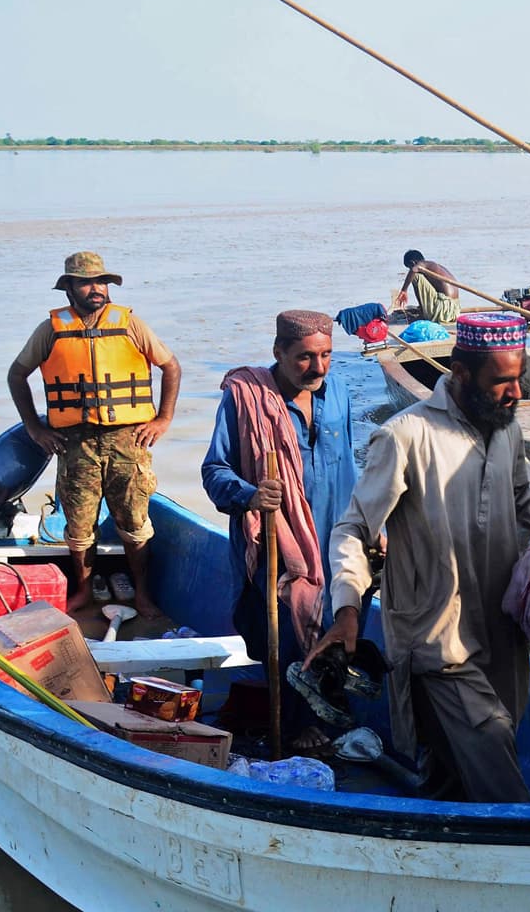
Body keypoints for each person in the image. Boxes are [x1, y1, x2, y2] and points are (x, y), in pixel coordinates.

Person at [322, 311, 530, 802]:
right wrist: (348, 608)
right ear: (460, 374)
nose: (517, 394)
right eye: (502, 382)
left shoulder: (506, 429)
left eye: (519, 379)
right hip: (433, 640)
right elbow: (353, 528)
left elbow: (525, 495)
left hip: (501, 630)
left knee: (453, 770)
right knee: (489, 738)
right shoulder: (404, 436)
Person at [201, 309, 358, 752]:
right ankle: (294, 728)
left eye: (327, 355)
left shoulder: (339, 393)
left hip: (336, 536)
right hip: (278, 540)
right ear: (279, 352)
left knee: (337, 627)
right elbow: (214, 470)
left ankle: (326, 713)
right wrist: (249, 494)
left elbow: (349, 467)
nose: (319, 367)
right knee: (287, 632)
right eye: (305, 358)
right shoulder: (244, 398)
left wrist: (372, 526)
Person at [8, 251, 181, 618]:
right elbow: (16, 375)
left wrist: (163, 420)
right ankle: (84, 590)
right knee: (79, 524)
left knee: (135, 522)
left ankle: (142, 594)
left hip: (127, 439)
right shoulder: (51, 329)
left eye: (102, 282)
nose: (97, 289)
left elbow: (170, 366)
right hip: (75, 443)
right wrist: (34, 428)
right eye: (87, 282)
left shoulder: (130, 324)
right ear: (69, 288)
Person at [396, 250, 461, 325]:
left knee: (415, 276)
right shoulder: (435, 266)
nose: (410, 269)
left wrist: (404, 290)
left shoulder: (421, 265)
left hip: (442, 311)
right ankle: (423, 309)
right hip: (454, 312)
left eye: (409, 266)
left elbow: (414, 270)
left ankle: (423, 312)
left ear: (413, 262)